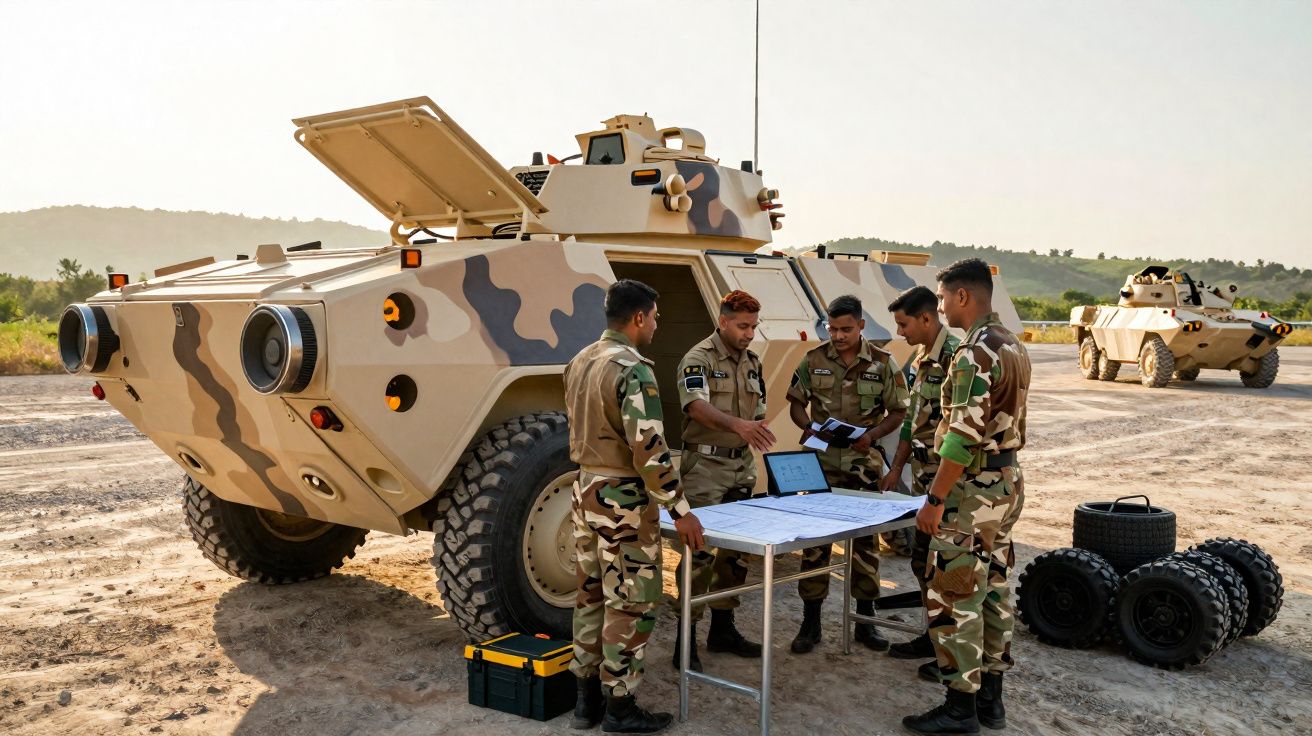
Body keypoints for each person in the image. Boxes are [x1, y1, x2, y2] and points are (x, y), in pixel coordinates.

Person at [563, 279, 706, 734]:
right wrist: (680, 510)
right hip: (622, 501)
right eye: (656, 317)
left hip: (584, 491)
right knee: (631, 604)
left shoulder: (580, 360)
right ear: (640, 317)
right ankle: (620, 707)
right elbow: (649, 450)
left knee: (589, 596)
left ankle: (586, 702)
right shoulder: (633, 369)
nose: (657, 325)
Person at [903, 259, 1031, 735]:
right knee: (994, 589)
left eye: (940, 298)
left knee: (955, 595)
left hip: (971, 491)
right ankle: (990, 702)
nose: (938, 307)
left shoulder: (974, 352)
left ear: (961, 297)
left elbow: (959, 437)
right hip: (1006, 483)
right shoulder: (1013, 343)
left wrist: (934, 500)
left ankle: (960, 708)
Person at [785, 294, 909, 654]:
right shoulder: (813, 360)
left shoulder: (884, 364)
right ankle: (811, 623)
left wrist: (870, 436)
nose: (837, 335)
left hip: (862, 466)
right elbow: (795, 402)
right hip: (821, 467)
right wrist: (807, 426)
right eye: (832, 328)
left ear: (860, 326)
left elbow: (899, 412)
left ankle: (865, 622)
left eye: (845, 329)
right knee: (813, 545)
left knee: (866, 547)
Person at [671, 290, 776, 672]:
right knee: (698, 555)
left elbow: (758, 409)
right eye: (743, 326)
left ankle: (722, 629)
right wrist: (739, 426)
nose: (749, 334)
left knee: (735, 554)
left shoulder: (752, 363)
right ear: (723, 321)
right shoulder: (698, 358)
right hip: (705, 469)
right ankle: (686, 640)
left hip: (740, 466)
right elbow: (695, 407)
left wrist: (754, 429)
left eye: (754, 327)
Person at [878, 285, 961, 674]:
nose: (900, 332)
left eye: (903, 323)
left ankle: (951, 658)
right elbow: (912, 419)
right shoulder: (920, 359)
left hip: (949, 485)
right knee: (922, 562)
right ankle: (932, 637)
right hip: (922, 479)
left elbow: (964, 432)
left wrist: (938, 493)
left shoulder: (958, 356)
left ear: (927, 318)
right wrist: (896, 467)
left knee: (950, 570)